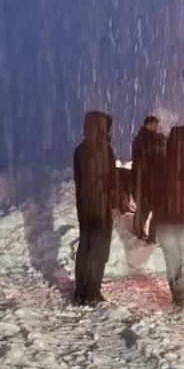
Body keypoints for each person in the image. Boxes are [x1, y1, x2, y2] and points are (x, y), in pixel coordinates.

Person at [154, 125, 184, 314]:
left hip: (165, 222)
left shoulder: (160, 163)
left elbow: (154, 190)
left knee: (172, 261)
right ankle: (180, 290)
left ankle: (177, 296)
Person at [72, 110, 117, 306]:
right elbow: (110, 181)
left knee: (85, 246)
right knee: (98, 252)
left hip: (84, 206)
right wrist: (113, 202)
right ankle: (92, 292)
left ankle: (80, 291)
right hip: (100, 207)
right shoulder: (103, 149)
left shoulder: (80, 149)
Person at [130, 115, 165, 242]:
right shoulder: (142, 140)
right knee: (147, 206)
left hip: (154, 180)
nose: (156, 127)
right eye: (154, 125)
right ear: (147, 125)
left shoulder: (155, 139)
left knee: (154, 208)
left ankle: (149, 235)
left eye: (157, 125)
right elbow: (140, 163)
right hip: (146, 180)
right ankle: (140, 233)